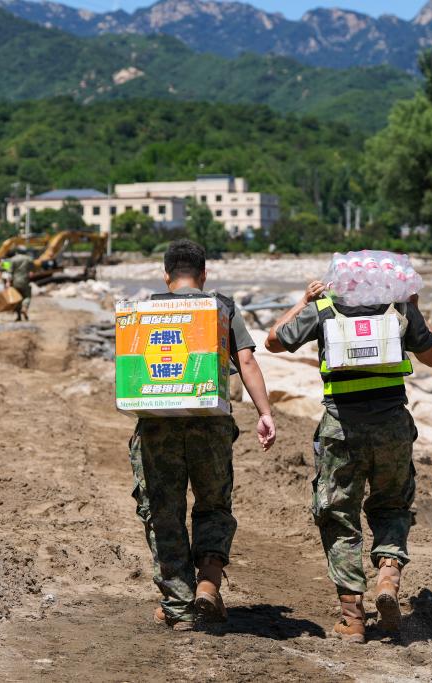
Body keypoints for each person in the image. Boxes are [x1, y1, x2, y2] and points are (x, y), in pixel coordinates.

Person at [265, 279, 432, 643]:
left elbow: (273, 341)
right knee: (392, 504)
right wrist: (413, 306)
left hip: (341, 429)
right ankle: (388, 576)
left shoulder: (324, 309)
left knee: (339, 515)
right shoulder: (399, 310)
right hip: (392, 427)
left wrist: (303, 301)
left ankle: (353, 618)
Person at [130, 239, 277, 632]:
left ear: (166, 275)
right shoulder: (221, 307)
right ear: (204, 274)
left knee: (164, 511)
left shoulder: (146, 310)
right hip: (210, 424)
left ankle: (178, 606)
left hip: (157, 426)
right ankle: (208, 582)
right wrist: (265, 413)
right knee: (213, 504)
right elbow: (246, 360)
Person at [8, 246, 34, 321]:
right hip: (25, 281)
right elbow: (32, 271)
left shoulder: (12, 259)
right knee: (27, 296)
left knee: (17, 298)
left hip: (15, 282)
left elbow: (9, 272)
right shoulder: (29, 259)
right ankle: (24, 308)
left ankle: (18, 316)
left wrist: (8, 282)